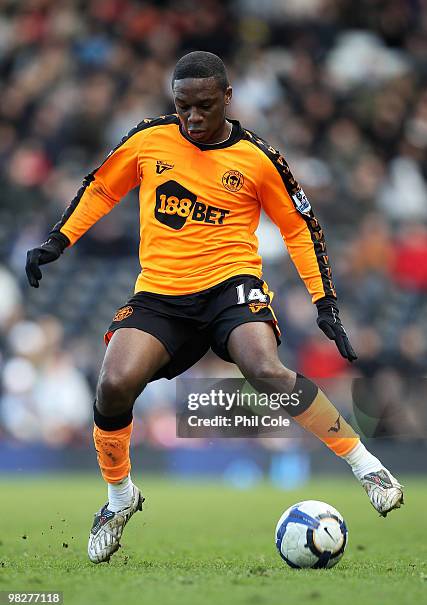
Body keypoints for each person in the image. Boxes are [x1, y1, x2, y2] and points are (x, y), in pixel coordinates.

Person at [25, 51, 403, 564]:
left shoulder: (258, 157)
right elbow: (100, 188)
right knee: (112, 385)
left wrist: (325, 301)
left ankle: (367, 467)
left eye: (204, 106)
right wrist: (57, 241)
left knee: (266, 369)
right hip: (161, 293)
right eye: (183, 107)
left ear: (227, 98)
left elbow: (299, 227)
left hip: (231, 288)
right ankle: (119, 500)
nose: (193, 118)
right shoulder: (148, 139)